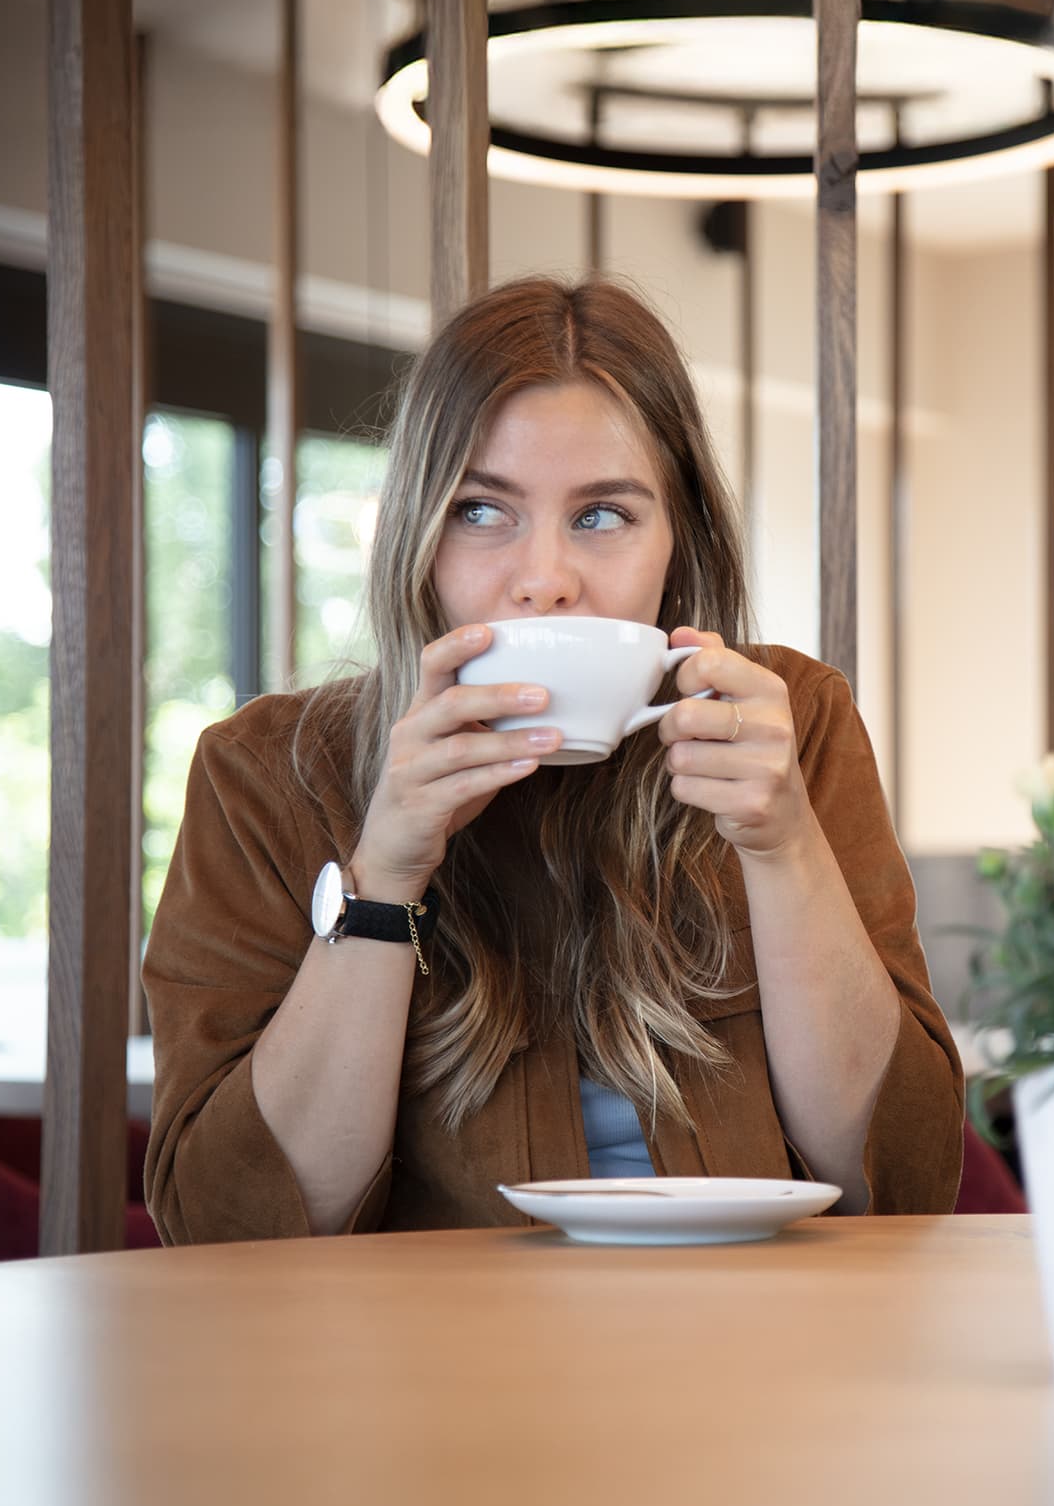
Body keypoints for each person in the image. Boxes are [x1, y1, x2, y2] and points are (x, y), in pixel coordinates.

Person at [142, 275, 964, 1242]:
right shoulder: (265, 774)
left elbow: (904, 1185)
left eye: (603, 515)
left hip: (749, 1345)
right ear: (418, 535)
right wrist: (385, 875)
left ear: (679, 540)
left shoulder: (788, 727)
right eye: (482, 511)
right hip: (426, 1364)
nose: (545, 581)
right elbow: (228, 1226)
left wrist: (782, 848)